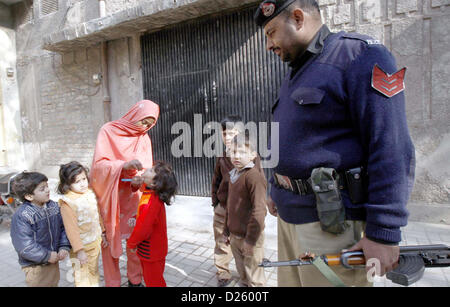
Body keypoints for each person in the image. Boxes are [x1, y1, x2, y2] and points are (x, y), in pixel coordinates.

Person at [254, 0, 415, 286]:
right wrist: (276, 187)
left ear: (299, 18)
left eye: (271, 32)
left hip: (332, 224)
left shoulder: (359, 56)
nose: (269, 45)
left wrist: (383, 232)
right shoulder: (296, 72)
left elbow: (391, 146)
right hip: (290, 219)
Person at [90, 100, 160, 287]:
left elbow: (147, 168)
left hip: (133, 196)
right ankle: (113, 282)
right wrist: (123, 166)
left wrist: (140, 179)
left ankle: (135, 280)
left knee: (134, 241)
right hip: (110, 196)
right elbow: (98, 167)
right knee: (109, 242)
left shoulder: (143, 137)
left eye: (150, 123)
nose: (145, 126)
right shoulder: (108, 130)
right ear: (134, 114)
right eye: (144, 121)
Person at [222, 131, 267, 287]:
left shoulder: (254, 177)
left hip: (250, 237)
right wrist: (226, 231)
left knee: (255, 277)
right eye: (233, 151)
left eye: (242, 152)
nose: (236, 156)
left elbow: (259, 210)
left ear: (253, 155)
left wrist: (250, 240)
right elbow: (230, 205)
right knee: (242, 273)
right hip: (235, 236)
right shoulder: (234, 174)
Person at [10, 172, 71, 287]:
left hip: (53, 260)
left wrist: (64, 246)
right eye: (42, 189)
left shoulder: (53, 206)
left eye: (47, 186)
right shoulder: (23, 215)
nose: (48, 190)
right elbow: (25, 245)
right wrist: (46, 255)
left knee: (53, 283)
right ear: (29, 196)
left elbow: (63, 228)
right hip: (35, 266)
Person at [126, 161, 178, 287]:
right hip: (154, 250)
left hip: (151, 252)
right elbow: (145, 218)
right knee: (154, 279)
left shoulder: (151, 202)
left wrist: (131, 243)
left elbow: (143, 228)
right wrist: (136, 217)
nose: (148, 168)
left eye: (151, 170)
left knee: (154, 282)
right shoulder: (150, 194)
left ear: (154, 183)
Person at [57, 161, 108, 287]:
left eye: (84, 179)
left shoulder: (89, 193)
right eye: (77, 181)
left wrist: (103, 233)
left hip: (94, 243)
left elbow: (97, 215)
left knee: (93, 270)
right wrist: (79, 251)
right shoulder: (68, 203)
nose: (82, 184)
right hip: (80, 248)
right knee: (81, 277)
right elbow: (71, 230)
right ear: (67, 184)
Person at [211, 115, 242, 287]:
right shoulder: (221, 156)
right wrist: (215, 202)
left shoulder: (250, 155)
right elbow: (215, 180)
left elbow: (258, 182)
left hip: (241, 209)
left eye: (232, 132)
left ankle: (246, 273)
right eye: (225, 133)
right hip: (223, 208)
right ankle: (223, 270)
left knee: (241, 242)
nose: (228, 137)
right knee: (221, 240)